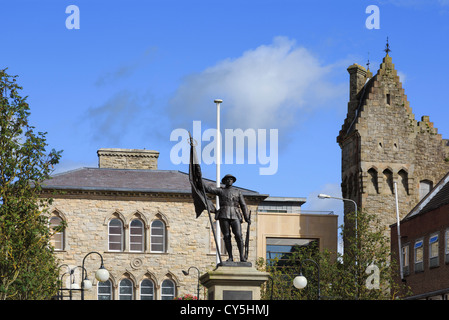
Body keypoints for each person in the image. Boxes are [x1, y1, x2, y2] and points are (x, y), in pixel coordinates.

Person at [202, 174, 251, 262]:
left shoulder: (238, 192)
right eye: (227, 179)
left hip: (235, 214)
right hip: (224, 214)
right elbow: (208, 189)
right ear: (224, 181)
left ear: (233, 181)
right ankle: (230, 257)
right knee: (227, 236)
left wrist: (246, 217)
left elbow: (243, 205)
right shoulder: (221, 191)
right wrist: (199, 179)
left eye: (231, 179)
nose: (229, 181)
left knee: (239, 235)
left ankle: (242, 257)